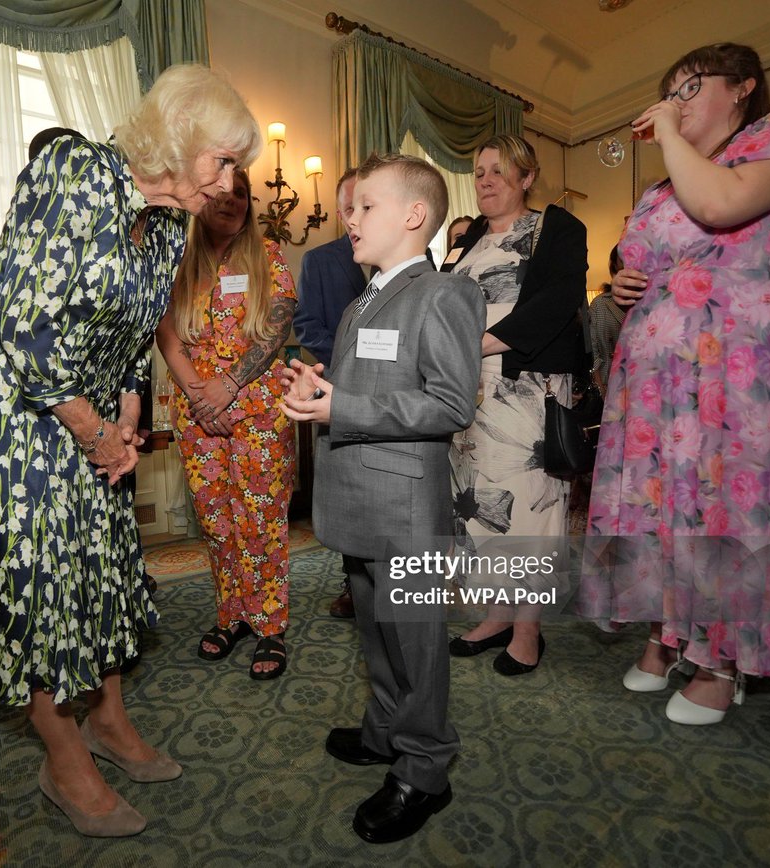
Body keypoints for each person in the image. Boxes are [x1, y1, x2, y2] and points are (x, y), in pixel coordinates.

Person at [0, 64, 261, 837]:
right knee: (38, 580)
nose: (233, 182)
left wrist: (129, 408)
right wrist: (96, 428)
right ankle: (62, 757)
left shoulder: (171, 222)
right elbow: (25, 326)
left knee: (98, 567)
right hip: (13, 407)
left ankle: (108, 719)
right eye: (226, 159)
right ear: (178, 139)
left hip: (87, 410)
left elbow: (136, 327)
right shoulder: (75, 171)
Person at [583, 43, 770, 725]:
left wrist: (666, 129)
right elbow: (639, 259)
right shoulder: (661, 187)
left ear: (743, 88)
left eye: (692, 87)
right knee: (666, 500)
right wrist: (621, 286)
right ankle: (670, 634)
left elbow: (724, 205)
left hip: (743, 362)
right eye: (669, 91)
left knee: (729, 500)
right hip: (662, 372)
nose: (676, 102)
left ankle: (722, 659)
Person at [282, 153, 485, 843]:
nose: (350, 217)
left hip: (405, 510)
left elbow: (451, 402)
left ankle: (425, 769)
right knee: (375, 634)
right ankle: (387, 730)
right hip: (359, 503)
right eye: (350, 205)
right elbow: (362, 387)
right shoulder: (365, 298)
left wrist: (346, 404)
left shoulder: (443, 294)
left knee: (417, 646)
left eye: (365, 205)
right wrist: (320, 394)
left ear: (413, 216)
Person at [445, 134, 589, 676]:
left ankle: (529, 629)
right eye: (479, 171)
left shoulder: (556, 227)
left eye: (498, 171)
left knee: (530, 505)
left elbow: (557, 302)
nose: (485, 180)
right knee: (477, 504)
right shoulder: (469, 236)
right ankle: (498, 613)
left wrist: (478, 343)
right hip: (466, 394)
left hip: (526, 388)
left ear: (527, 178)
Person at [156, 169, 297, 679]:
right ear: (203, 195)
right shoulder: (177, 261)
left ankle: (270, 626)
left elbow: (278, 324)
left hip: (257, 410)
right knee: (216, 523)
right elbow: (167, 336)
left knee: (260, 521)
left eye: (242, 194)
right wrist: (200, 395)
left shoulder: (268, 255)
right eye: (223, 191)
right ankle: (231, 615)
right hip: (197, 416)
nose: (233, 201)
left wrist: (229, 386)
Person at [292, 167, 365, 619]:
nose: (358, 213)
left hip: (394, 399)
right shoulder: (319, 261)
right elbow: (306, 327)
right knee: (346, 494)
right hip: (336, 393)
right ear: (339, 212)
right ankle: (353, 583)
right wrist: (348, 368)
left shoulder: (410, 261)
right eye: (352, 205)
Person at [588, 245, 627, 394]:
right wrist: (601, 391)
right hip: (609, 386)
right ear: (614, 267)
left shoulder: (655, 303)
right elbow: (594, 353)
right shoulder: (601, 304)